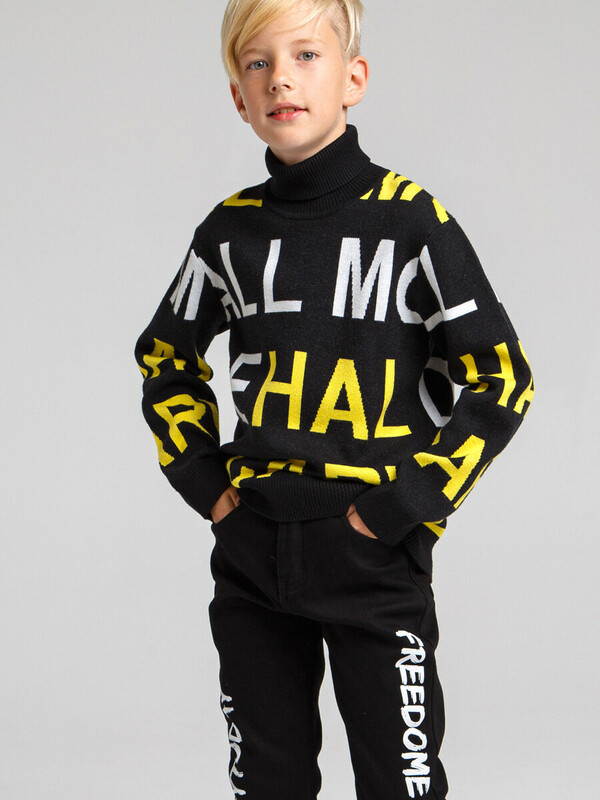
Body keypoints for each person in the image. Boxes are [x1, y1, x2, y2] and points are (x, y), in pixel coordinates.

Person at [134, 0, 534, 797]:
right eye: (256, 63)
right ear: (239, 98)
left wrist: (404, 507)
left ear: (354, 78)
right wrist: (212, 492)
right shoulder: (228, 234)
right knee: (268, 782)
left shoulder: (414, 222)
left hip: (372, 555)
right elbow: (164, 357)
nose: (280, 78)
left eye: (305, 56)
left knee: (401, 782)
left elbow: (502, 379)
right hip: (251, 551)